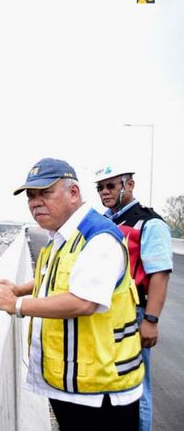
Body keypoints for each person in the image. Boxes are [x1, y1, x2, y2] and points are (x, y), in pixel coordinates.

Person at [0, 158, 143, 431]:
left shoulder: (98, 237)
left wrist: (17, 303)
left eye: (45, 193)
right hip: (77, 385)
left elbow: (84, 301)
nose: (35, 203)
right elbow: (55, 280)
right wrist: (19, 288)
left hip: (101, 392)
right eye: (31, 196)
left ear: (73, 193)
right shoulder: (61, 237)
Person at [94, 165, 173, 431]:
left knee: (137, 388)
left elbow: (160, 275)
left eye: (111, 185)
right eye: (100, 187)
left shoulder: (149, 223)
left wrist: (151, 320)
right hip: (105, 315)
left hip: (135, 314)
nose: (104, 191)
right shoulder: (104, 222)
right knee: (114, 388)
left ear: (129, 185)